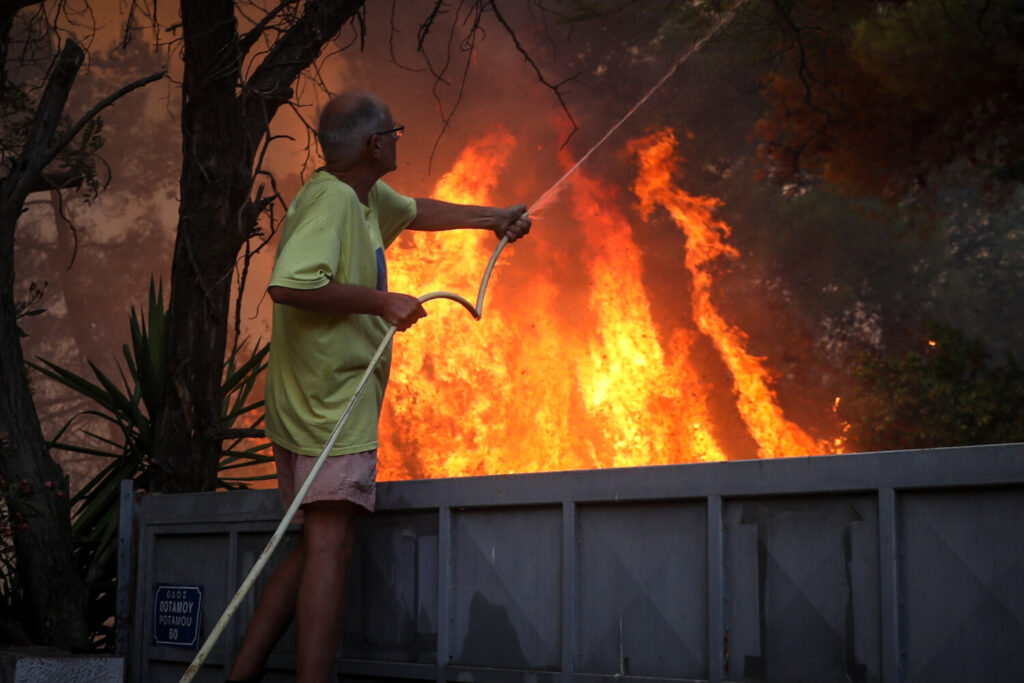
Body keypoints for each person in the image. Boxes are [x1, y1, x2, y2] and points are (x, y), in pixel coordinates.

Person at [226, 91, 531, 683]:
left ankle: (242, 676)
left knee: (317, 542)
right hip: (327, 405)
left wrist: (492, 218)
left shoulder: (360, 196)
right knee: (332, 550)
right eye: (395, 131)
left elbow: (415, 211)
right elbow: (290, 286)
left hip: (312, 402)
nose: (398, 138)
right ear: (374, 144)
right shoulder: (333, 204)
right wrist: (381, 301)